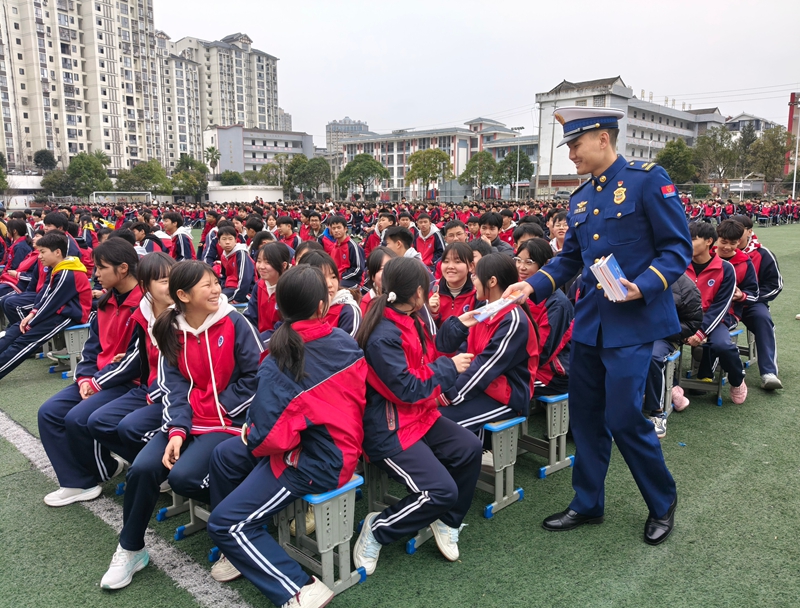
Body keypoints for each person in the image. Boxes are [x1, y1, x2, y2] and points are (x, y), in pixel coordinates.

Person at [503, 107, 692, 545]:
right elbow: (570, 258)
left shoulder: (647, 181)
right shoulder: (581, 198)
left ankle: (662, 501)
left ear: (603, 139)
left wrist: (643, 285)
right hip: (590, 324)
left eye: (575, 145)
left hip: (633, 322)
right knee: (586, 418)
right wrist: (530, 285)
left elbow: (676, 248)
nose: (571, 154)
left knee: (624, 417)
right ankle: (588, 502)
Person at [206, 265, 367, 606]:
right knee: (223, 455)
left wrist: (250, 433)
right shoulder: (340, 340)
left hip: (317, 462)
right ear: (322, 306)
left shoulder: (282, 357)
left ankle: (299, 587)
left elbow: (270, 439)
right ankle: (242, 549)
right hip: (332, 446)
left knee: (224, 524)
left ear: (279, 307)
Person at [99, 260, 262, 589]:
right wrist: (176, 430)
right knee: (143, 468)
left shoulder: (235, 322)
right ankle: (131, 548)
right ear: (184, 295)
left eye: (216, 282)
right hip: (188, 419)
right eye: (207, 285)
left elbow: (257, 376)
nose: (216, 289)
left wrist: (219, 405)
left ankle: (238, 525)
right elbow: (173, 387)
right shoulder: (169, 328)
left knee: (184, 478)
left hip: (226, 421)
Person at [352, 257, 482, 574]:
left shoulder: (408, 317)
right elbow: (407, 388)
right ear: (419, 293)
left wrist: (458, 326)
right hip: (388, 429)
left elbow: (429, 356)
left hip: (417, 416)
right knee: (441, 491)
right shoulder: (384, 333)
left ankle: (448, 520)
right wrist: (449, 368)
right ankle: (378, 529)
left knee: (470, 447)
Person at [38, 239, 144, 507]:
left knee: (78, 418)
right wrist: (85, 378)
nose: (95, 274)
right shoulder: (106, 303)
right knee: (49, 412)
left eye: (101, 268)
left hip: (128, 381)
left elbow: (135, 361)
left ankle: (101, 470)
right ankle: (80, 481)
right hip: (100, 378)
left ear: (123, 268)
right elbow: (92, 347)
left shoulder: (144, 304)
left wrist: (96, 383)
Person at [435, 254, 538, 452]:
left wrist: (447, 397)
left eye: (475, 276)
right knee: (432, 413)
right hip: (481, 387)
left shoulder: (513, 319)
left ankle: (477, 457)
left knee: (441, 422)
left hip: (506, 397)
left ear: (492, 281)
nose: (473, 281)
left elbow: (484, 368)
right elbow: (467, 354)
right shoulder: (485, 309)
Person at [87, 253, 176, 465]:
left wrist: (98, 381)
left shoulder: (183, 316)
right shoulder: (144, 312)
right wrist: (93, 380)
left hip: (171, 394)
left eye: (174, 279)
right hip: (149, 387)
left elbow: (180, 368)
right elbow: (137, 353)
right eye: (164, 281)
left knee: (130, 426)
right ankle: (145, 466)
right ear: (145, 286)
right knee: (98, 421)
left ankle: (155, 467)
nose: (172, 287)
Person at [0, 232, 91, 380]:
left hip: (69, 315)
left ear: (57, 252)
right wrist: (32, 314)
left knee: (25, 341)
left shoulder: (67, 272)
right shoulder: (58, 268)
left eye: (43, 252)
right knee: (15, 330)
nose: (39, 256)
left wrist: (32, 321)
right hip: (57, 312)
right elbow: (44, 295)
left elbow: (51, 303)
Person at [686, 222, 748, 403]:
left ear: (709, 241)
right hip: (684, 319)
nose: (687, 243)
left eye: (693, 239)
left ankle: (737, 380)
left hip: (715, 319)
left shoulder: (726, 268)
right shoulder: (680, 264)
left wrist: (701, 332)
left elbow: (721, 306)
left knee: (722, 345)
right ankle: (672, 387)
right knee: (655, 343)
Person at [642, 271, 702, 438]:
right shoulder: (631, 272)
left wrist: (660, 329)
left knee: (653, 356)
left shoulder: (684, 284)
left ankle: (657, 412)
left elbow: (692, 322)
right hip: (630, 332)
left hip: (664, 337)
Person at [728, 215, 783, 390]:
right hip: (723, 304)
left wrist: (748, 297)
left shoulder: (763, 254)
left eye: (740, 230)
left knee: (763, 319)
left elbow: (775, 285)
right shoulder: (720, 252)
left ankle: (768, 373)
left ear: (750, 231)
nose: (735, 234)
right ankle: (705, 369)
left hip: (752, 304)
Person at [515, 238, 573, 397]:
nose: (521, 267)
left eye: (529, 262)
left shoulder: (556, 303)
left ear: (546, 265)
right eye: (518, 260)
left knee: (501, 384)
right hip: (525, 363)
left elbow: (542, 350)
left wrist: (508, 364)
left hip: (551, 373)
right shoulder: (519, 289)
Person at [301, 251, 362, 338]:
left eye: (333, 277)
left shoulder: (348, 312)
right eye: (322, 278)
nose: (330, 284)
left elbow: (347, 345)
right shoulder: (298, 307)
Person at [244, 242, 291, 340]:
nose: (261, 266)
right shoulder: (259, 285)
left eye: (268, 262)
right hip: (259, 338)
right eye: (259, 261)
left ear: (283, 265)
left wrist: (257, 341)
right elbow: (251, 316)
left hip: (279, 341)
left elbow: (284, 327)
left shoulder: (289, 289)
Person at [429, 242, 480, 326]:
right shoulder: (431, 289)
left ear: (471, 266)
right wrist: (432, 314)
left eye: (457, 262)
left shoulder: (479, 293)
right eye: (446, 261)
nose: (450, 266)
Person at [216, 225, 255, 304]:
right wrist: (222, 287)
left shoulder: (241, 253)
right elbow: (224, 276)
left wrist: (237, 298)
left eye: (230, 239)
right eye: (224, 239)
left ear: (236, 241)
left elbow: (245, 279)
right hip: (230, 288)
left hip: (246, 291)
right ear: (219, 242)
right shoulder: (224, 255)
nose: (227, 242)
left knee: (218, 301)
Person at [360, 246, 397, 316]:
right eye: (382, 268)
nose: (388, 272)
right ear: (371, 275)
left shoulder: (405, 298)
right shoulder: (367, 303)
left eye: (392, 267)